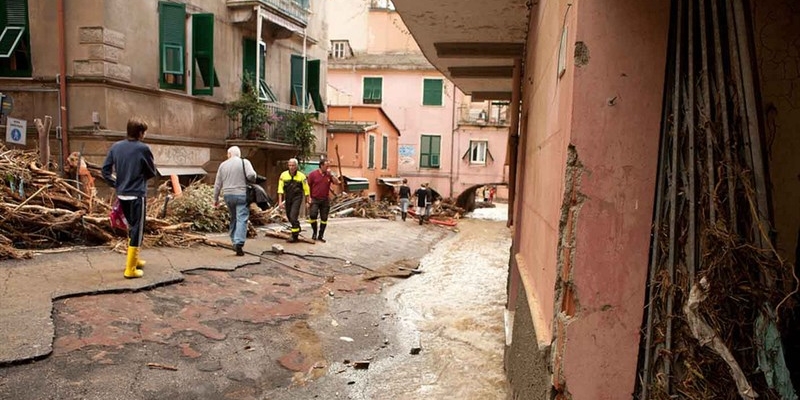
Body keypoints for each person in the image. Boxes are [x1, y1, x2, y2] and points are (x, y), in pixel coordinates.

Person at [102, 116, 157, 279]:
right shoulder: (143, 149)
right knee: (137, 229)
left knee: (131, 227)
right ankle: (130, 269)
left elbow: (105, 171)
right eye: (144, 132)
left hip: (122, 194)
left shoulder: (116, 147)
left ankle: (134, 259)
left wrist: (116, 184)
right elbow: (151, 172)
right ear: (140, 133)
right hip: (137, 194)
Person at [213, 146, 257, 256]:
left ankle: (233, 240)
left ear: (229, 154)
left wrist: (215, 199)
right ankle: (238, 242)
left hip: (228, 195)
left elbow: (217, 184)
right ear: (239, 154)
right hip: (241, 194)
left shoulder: (222, 165)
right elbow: (251, 175)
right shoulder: (244, 162)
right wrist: (252, 179)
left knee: (233, 218)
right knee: (241, 218)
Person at [306, 159, 340, 242]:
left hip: (325, 200)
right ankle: (314, 233)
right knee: (313, 215)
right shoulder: (313, 174)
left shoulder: (329, 175)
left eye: (328, 166)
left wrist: (331, 175)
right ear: (321, 166)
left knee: (324, 218)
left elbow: (337, 182)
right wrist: (308, 198)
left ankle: (320, 235)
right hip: (315, 199)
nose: (328, 168)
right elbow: (307, 186)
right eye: (326, 166)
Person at [277, 158, 310, 242]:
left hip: (297, 198)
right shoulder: (283, 175)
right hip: (288, 197)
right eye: (290, 165)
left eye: (293, 165)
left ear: (296, 166)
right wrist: (280, 202)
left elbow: (306, 189)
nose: (291, 167)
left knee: (293, 216)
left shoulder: (301, 176)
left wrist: (308, 200)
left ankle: (294, 236)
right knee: (289, 216)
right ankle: (297, 227)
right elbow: (280, 189)